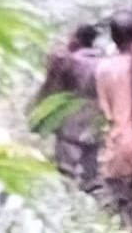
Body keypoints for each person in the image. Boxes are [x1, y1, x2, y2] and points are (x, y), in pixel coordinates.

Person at [95, 11, 132, 230]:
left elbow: (106, 111)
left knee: (120, 199)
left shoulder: (105, 68)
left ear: (113, 38)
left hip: (120, 141)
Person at [32, 24, 102, 191]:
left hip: (69, 126)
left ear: (77, 39)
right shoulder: (105, 62)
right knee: (91, 177)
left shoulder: (68, 62)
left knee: (65, 173)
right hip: (95, 126)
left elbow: (53, 91)